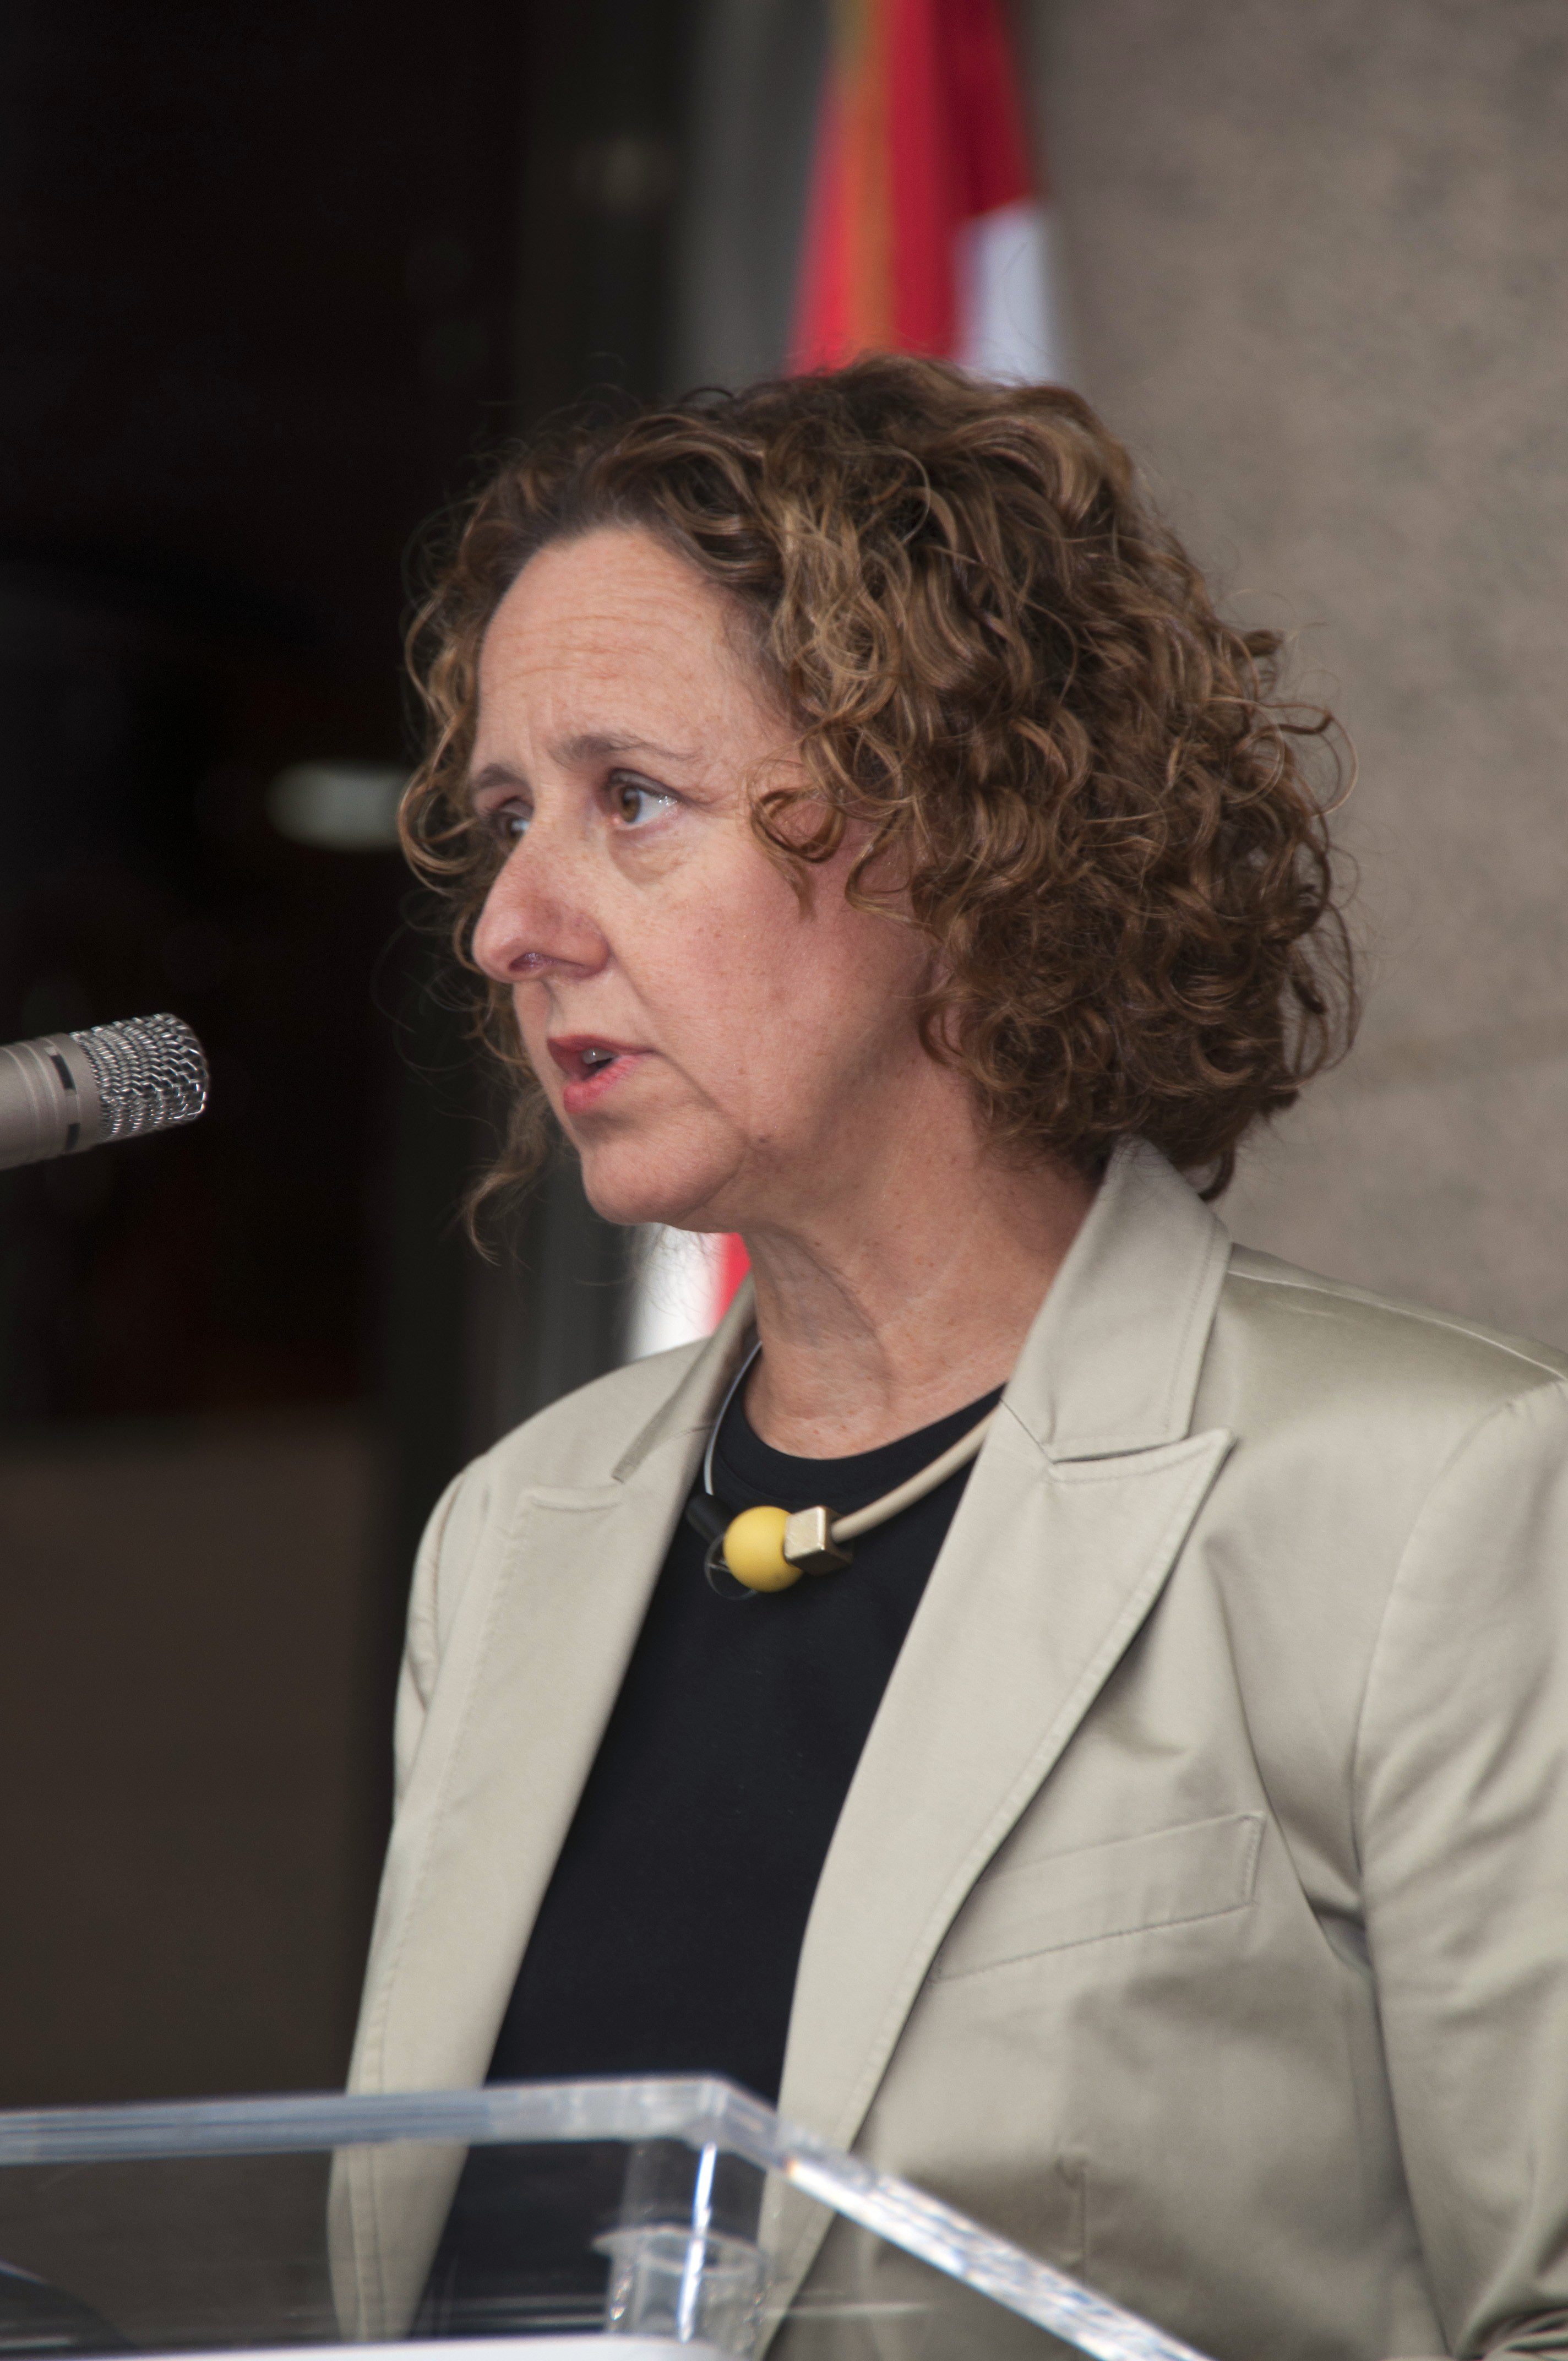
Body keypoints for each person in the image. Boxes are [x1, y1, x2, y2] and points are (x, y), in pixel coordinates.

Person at [330, 358, 1568, 2360]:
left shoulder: (1436, 1499)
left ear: (967, 831)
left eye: (630, 799)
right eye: (504, 821)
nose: (511, 927)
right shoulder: (510, 1540)